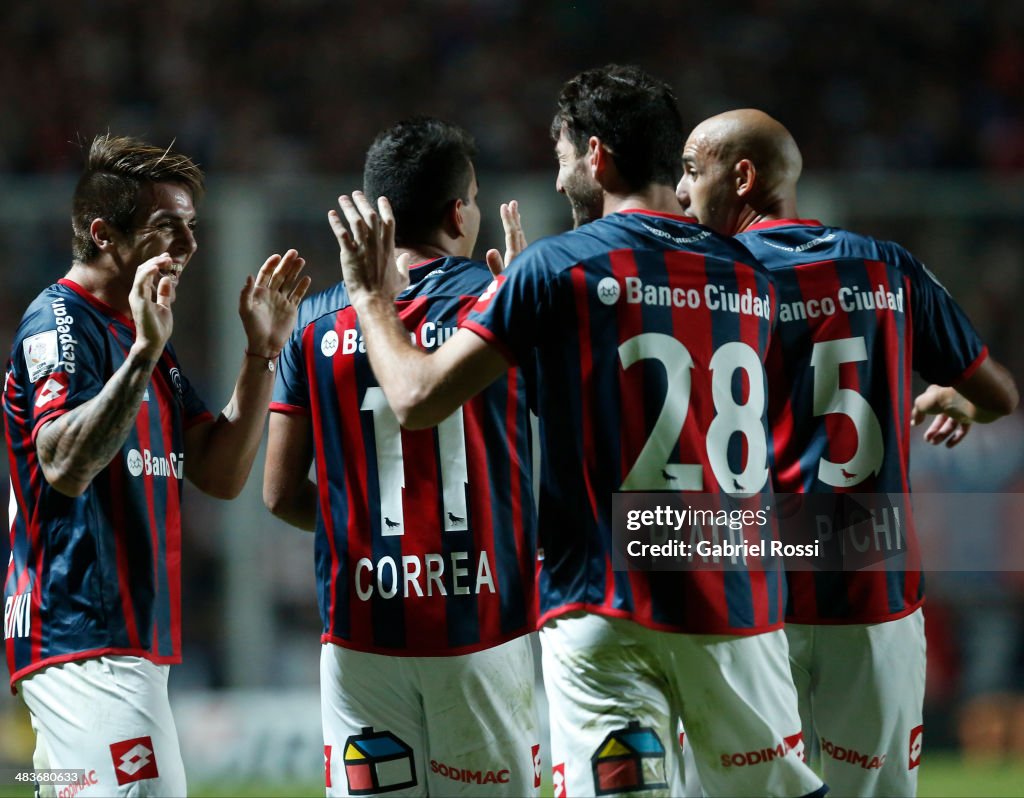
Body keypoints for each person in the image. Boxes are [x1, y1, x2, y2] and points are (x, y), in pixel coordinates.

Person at [327, 66, 826, 798]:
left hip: (603, 601)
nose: (559, 180)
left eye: (562, 159)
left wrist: (371, 297)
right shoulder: (751, 274)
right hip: (731, 597)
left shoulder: (556, 267)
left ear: (597, 157)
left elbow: (417, 396)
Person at [675, 108, 1020, 796]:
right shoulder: (887, 266)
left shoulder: (699, 278)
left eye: (691, 170)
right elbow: (997, 394)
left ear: (741, 177)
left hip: (752, 585)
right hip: (872, 582)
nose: (681, 192)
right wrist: (960, 402)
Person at [2, 134, 310, 797]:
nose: (189, 248)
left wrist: (261, 356)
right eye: (167, 229)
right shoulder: (59, 323)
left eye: (192, 229)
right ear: (103, 234)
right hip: (82, 634)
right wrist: (144, 351)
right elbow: (61, 463)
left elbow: (220, 474)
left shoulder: (143, 337)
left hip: (126, 642)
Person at [263, 117, 541, 797]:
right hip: (480, 624)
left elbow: (279, 494)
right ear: (457, 212)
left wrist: (370, 538)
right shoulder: (493, 302)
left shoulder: (316, 322)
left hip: (361, 633)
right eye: (472, 196)